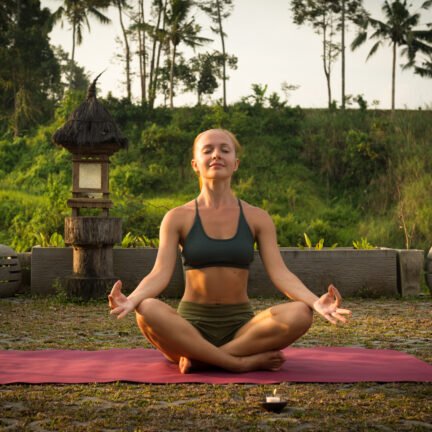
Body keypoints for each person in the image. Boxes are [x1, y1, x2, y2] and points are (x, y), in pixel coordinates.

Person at [109, 128, 352, 374]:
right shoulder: (177, 217)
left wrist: (314, 302)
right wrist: (132, 299)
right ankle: (238, 362)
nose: (216, 155)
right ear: (195, 164)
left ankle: (204, 359)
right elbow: (159, 273)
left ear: (235, 164)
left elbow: (280, 273)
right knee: (147, 309)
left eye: (224, 150)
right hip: (188, 328)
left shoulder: (257, 218)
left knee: (301, 313)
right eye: (208, 150)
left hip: (243, 329)